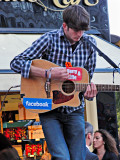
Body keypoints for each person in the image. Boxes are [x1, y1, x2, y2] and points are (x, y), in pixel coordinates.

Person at [10, 4, 97, 160]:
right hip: (49, 109)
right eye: (76, 30)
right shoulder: (49, 39)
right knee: (62, 157)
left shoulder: (90, 44)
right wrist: (47, 73)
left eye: (83, 30)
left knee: (79, 157)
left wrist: (90, 94)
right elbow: (16, 62)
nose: (80, 34)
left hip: (75, 110)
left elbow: (87, 81)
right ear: (65, 26)